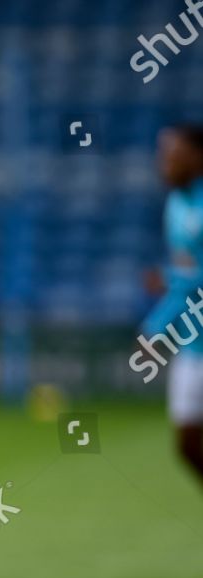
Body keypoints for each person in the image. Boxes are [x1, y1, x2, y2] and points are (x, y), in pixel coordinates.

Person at [141, 125, 203, 485]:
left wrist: (172, 279)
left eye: (173, 153)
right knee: (187, 444)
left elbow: (184, 276)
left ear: (197, 156)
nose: (165, 162)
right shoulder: (177, 204)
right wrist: (157, 326)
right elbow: (186, 276)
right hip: (192, 345)